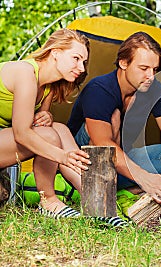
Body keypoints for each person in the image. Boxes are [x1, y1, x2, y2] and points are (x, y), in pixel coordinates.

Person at [67, 31, 161, 203]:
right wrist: (145, 177)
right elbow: (102, 143)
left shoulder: (155, 89)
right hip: (81, 161)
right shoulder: (99, 89)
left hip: (121, 160)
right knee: (114, 117)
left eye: (155, 69)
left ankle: (127, 190)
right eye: (144, 68)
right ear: (123, 63)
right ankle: (105, 187)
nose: (151, 76)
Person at [0, 29, 91, 217]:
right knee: (49, 135)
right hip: (9, 136)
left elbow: (38, 124)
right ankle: (48, 200)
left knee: (59, 128)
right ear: (55, 53)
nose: (81, 68)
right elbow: (22, 133)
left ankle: (95, 197)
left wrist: (46, 116)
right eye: (76, 58)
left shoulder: (49, 86)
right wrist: (63, 156)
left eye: (83, 61)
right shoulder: (25, 72)